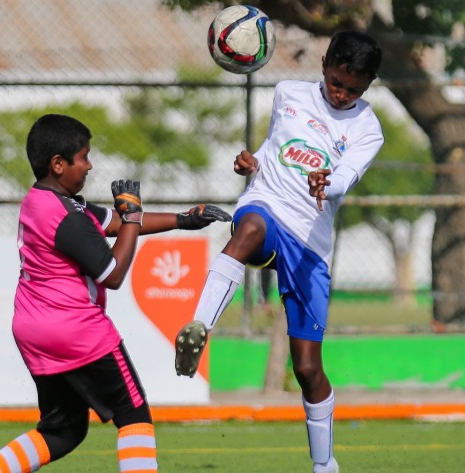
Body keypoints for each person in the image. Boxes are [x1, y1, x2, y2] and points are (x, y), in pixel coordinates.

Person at [0, 114, 231, 473]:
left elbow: (117, 222)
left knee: (64, 429)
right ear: (58, 164)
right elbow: (114, 273)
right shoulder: (67, 216)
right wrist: (134, 217)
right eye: (84, 157)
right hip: (76, 331)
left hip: (34, 330)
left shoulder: (43, 200)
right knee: (133, 413)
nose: (90, 165)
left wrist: (183, 219)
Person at [173, 30, 383, 473]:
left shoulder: (367, 127)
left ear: (368, 87)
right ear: (324, 64)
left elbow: (347, 174)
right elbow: (273, 150)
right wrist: (252, 164)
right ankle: (199, 325)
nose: (342, 93)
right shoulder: (287, 92)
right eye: (336, 81)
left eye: (353, 89)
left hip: (309, 242)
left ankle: (324, 464)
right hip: (265, 207)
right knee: (247, 227)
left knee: (307, 369)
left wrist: (330, 181)